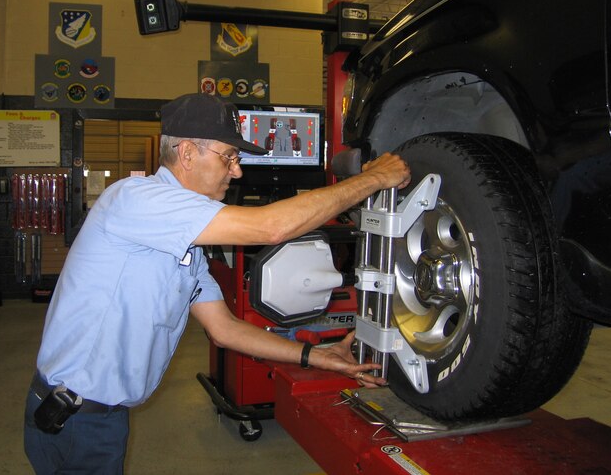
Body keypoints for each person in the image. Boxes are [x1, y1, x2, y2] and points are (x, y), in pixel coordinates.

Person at [24, 92, 411, 474]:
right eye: (230, 157)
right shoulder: (136, 199)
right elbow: (270, 227)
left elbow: (224, 329)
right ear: (189, 153)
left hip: (100, 418)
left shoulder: (185, 247)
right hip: (76, 420)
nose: (237, 171)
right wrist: (374, 179)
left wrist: (315, 357)